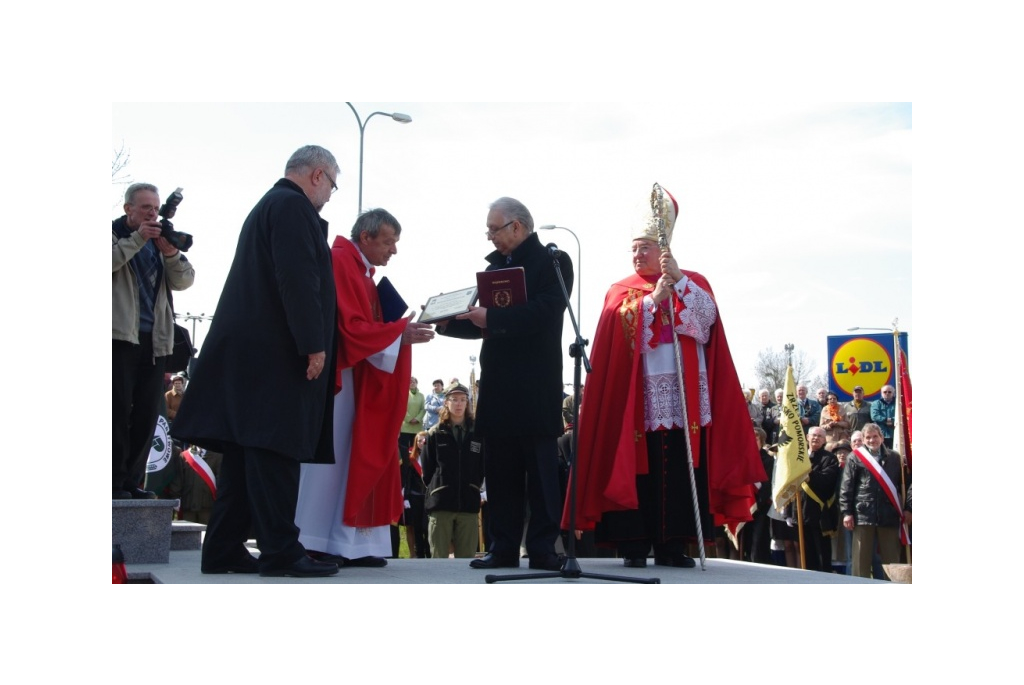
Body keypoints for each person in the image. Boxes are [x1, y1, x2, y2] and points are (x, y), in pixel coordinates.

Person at [563, 184, 765, 568]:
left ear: (665, 251)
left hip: (683, 395)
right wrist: (652, 301)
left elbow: (707, 326)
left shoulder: (695, 282)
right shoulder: (621, 291)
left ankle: (674, 545)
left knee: (677, 467)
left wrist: (680, 284)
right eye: (634, 249)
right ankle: (635, 544)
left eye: (645, 248)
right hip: (636, 399)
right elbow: (616, 332)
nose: (638, 255)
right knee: (639, 466)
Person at [171, 145, 339, 577]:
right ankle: (282, 550)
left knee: (247, 458)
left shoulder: (270, 204)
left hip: (252, 358)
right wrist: (313, 342)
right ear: (318, 175)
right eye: (332, 185)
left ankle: (224, 547)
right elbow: (297, 277)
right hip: (277, 357)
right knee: (276, 452)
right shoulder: (291, 207)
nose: (329, 196)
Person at [294, 207, 435, 568]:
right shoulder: (342, 261)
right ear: (366, 237)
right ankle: (313, 540)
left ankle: (348, 544)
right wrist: (396, 334)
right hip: (339, 382)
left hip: (357, 379)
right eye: (388, 242)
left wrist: (393, 332)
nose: (394, 250)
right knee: (331, 463)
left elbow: (363, 325)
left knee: (347, 462)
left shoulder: (361, 271)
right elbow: (350, 330)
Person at [437, 196, 571, 571]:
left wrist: (491, 318)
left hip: (536, 385)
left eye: (494, 229)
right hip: (498, 385)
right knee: (501, 474)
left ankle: (543, 548)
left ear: (517, 226)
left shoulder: (553, 263)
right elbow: (481, 319)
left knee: (542, 475)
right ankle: (503, 547)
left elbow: (546, 310)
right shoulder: (496, 267)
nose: (490, 237)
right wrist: (449, 322)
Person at [113, 182, 196, 500]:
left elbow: (185, 280)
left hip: (155, 339)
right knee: (116, 411)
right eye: (145, 206)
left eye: (155, 206)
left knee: (148, 413)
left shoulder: (159, 240)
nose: (152, 212)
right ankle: (113, 481)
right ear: (128, 209)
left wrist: (171, 251)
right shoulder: (114, 235)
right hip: (118, 337)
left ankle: (132, 481)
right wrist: (137, 239)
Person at [421, 384, 484, 558]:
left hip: (468, 503)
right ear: (446, 403)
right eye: (454, 399)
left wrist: (472, 486)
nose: (459, 404)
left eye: (463, 400)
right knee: (438, 560)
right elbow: (427, 470)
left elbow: (481, 468)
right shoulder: (434, 433)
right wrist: (439, 487)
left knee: (466, 561)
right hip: (441, 504)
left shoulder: (477, 434)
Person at [839, 422, 909, 579]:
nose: (872, 440)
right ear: (863, 440)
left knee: (892, 562)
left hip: (889, 514)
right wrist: (847, 512)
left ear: (882, 437)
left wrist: (908, 508)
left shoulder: (894, 458)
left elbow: (904, 485)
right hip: (863, 514)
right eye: (868, 437)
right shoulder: (854, 457)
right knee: (860, 562)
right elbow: (846, 487)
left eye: (875, 436)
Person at [800, 427, 841, 572]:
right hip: (801, 510)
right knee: (806, 550)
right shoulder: (800, 456)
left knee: (822, 550)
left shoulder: (829, 458)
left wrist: (807, 470)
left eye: (819, 436)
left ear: (824, 440)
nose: (816, 438)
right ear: (807, 437)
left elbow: (826, 481)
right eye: (813, 435)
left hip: (819, 512)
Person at [402, 431, 429, 558]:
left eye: (424, 441)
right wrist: (406, 497)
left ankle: (429, 553)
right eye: (419, 441)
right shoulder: (411, 458)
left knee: (427, 527)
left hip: (428, 497)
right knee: (416, 527)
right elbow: (407, 479)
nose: (421, 443)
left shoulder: (432, 456)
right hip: (414, 496)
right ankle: (419, 554)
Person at [400, 377, 426, 457]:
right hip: (405, 427)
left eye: (414, 381)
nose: (412, 383)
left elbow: (423, 409)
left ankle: (415, 468)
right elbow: (401, 407)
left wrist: (417, 419)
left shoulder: (421, 396)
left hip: (417, 427)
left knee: (415, 449)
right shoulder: (404, 393)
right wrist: (409, 419)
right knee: (404, 449)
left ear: (416, 383)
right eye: (410, 381)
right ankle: (405, 467)